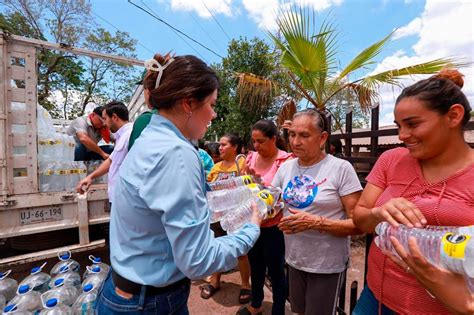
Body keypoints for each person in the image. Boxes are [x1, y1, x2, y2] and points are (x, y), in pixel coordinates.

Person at [95, 54, 262, 314]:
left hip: (126, 290)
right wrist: (251, 229)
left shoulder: (149, 138)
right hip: (150, 303)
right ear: (188, 104)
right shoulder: (177, 153)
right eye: (212, 104)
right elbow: (198, 260)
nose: (214, 114)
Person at [352, 69, 474, 315]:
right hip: (374, 299)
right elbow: (360, 218)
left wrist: (440, 284)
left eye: (412, 124)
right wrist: (379, 213)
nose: (402, 135)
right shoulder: (392, 160)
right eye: (399, 126)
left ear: (453, 116)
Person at [272, 109, 362, 315]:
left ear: (322, 138)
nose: (295, 142)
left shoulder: (340, 168)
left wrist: (316, 223)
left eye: (304, 135)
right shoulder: (287, 167)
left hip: (325, 264)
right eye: (292, 134)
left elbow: (359, 225)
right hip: (295, 259)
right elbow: (273, 200)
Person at [237, 120, 293, 315]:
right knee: (256, 266)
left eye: (260, 141)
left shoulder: (286, 161)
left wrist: (260, 185)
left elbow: (285, 195)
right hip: (253, 223)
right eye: (254, 141)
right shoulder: (251, 158)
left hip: (274, 226)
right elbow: (245, 186)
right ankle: (257, 304)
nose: (256, 146)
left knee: (276, 270)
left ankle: (278, 310)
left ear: (274, 139)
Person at [201, 133, 252, 304]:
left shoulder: (243, 163)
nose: (220, 148)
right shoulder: (216, 167)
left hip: (238, 215)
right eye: (220, 145)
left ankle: (246, 284)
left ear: (235, 147)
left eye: (224, 145)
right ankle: (215, 280)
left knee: (242, 253)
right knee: (217, 248)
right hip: (218, 216)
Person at [76, 101, 132, 202]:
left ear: (114, 117)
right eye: (102, 119)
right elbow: (111, 160)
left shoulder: (129, 136)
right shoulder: (122, 136)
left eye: (105, 119)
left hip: (124, 198)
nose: (104, 123)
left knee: (109, 148)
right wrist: (91, 176)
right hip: (117, 197)